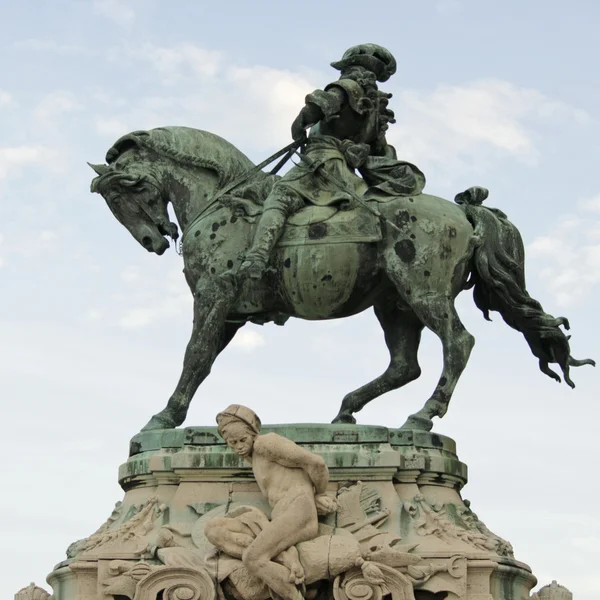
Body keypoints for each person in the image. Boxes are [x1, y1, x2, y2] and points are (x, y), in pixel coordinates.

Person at [236, 44, 424, 281]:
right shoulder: (375, 110)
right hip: (346, 174)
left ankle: (257, 257)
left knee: (279, 196)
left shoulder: (346, 88)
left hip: (319, 166)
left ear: (351, 67)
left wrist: (298, 128)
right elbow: (380, 152)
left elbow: (317, 107)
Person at [206, 405, 337, 600]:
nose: (238, 447)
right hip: (281, 516)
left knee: (253, 558)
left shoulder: (265, 443)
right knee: (213, 528)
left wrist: (320, 494)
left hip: (298, 511)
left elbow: (316, 463)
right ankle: (286, 557)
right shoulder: (254, 458)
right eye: (232, 443)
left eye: (243, 440)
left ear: (253, 433)